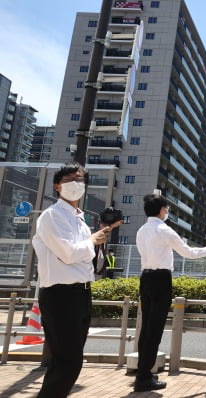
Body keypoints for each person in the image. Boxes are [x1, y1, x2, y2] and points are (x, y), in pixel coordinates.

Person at [32, 162, 116, 397]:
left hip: (80, 293)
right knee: (69, 362)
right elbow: (68, 253)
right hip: (60, 294)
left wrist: (96, 239)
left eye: (80, 180)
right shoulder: (52, 216)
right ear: (57, 186)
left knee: (67, 361)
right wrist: (92, 241)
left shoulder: (79, 219)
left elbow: (83, 256)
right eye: (69, 180)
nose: (76, 184)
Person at [134, 193, 206, 392]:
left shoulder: (141, 230)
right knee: (154, 329)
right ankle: (144, 377)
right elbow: (188, 252)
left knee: (146, 327)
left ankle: (143, 371)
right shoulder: (164, 230)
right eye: (167, 208)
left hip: (145, 278)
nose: (167, 211)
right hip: (161, 279)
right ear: (162, 210)